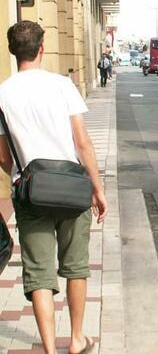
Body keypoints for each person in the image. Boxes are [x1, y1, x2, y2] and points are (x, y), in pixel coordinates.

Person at [0, 21, 107, 354]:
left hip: (30, 191)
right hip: (72, 189)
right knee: (76, 265)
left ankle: (49, 348)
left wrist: (18, 171)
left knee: (38, 271)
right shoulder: (62, 86)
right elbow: (83, 142)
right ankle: (76, 339)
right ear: (42, 48)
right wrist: (97, 187)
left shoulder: (3, 92)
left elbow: (3, 156)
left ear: (12, 51)